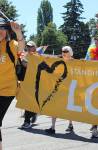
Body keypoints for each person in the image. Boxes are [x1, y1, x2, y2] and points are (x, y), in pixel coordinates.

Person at [0, 17, 25, 150]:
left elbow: (21, 48)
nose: (1, 31)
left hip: (6, 91)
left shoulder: (10, 45)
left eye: (3, 28)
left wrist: (18, 32)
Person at [45, 46, 74, 134]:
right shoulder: (57, 59)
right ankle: (53, 127)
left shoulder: (74, 62)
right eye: (63, 51)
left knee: (68, 108)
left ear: (70, 52)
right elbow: (47, 58)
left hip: (69, 88)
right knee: (55, 107)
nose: (64, 52)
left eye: (66, 51)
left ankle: (70, 124)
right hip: (58, 87)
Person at [20, 41, 38, 129]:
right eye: (27, 46)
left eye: (31, 46)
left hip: (37, 84)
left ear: (35, 47)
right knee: (27, 102)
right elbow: (24, 64)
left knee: (34, 102)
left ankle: (33, 114)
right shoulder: (26, 55)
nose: (29, 48)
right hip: (27, 82)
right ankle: (27, 120)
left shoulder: (39, 56)